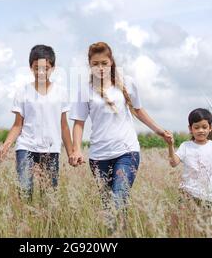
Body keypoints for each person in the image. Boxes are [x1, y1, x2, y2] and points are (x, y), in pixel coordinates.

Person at [70, 42, 172, 228]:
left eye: (104, 63)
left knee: (118, 198)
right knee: (110, 205)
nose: (100, 68)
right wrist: (76, 149)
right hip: (98, 156)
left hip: (127, 151)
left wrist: (158, 131)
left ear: (111, 62)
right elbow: (79, 123)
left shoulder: (127, 83)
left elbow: (138, 111)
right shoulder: (84, 90)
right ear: (89, 65)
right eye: (95, 64)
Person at [0, 44, 73, 200]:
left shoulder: (61, 93)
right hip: (26, 147)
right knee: (25, 190)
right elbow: (17, 125)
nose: (41, 72)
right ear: (31, 68)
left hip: (51, 149)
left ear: (53, 68)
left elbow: (64, 126)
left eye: (46, 68)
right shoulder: (23, 92)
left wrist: (71, 153)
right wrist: (5, 147)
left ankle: (45, 223)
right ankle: (24, 220)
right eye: (37, 68)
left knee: (48, 196)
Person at [166, 108, 212, 210]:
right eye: (196, 127)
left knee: (205, 224)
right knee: (185, 223)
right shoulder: (185, 146)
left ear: (210, 128)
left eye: (204, 127)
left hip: (208, 195)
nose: (201, 130)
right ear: (190, 128)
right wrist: (170, 145)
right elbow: (173, 163)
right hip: (187, 193)